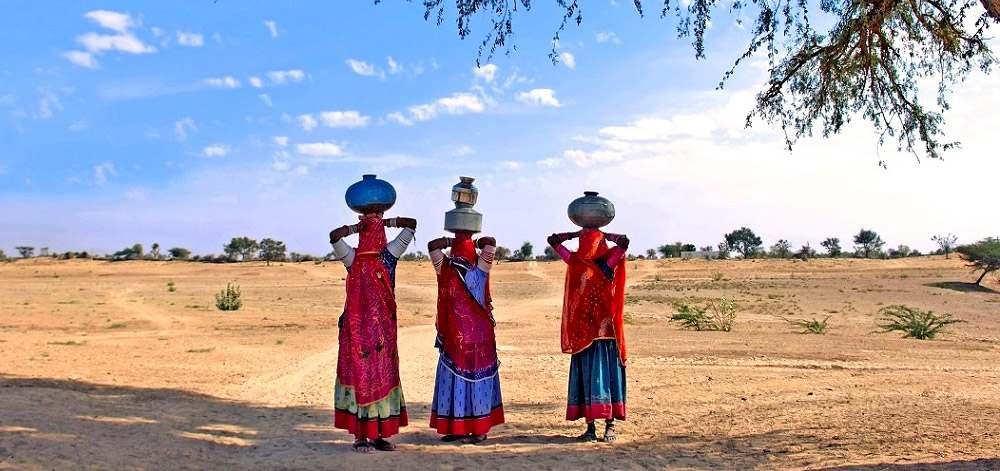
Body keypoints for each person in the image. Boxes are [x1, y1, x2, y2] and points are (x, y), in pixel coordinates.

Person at [329, 214, 417, 452]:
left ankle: (377, 435)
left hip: (380, 333)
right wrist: (363, 225)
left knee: (380, 377)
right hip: (359, 332)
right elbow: (334, 236)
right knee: (363, 377)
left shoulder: (383, 255)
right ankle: (360, 436)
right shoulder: (362, 256)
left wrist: (370, 223)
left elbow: (412, 224)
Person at [547, 229, 629, 442]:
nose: (587, 245)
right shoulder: (576, 261)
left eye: (590, 241)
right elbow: (553, 241)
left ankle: (609, 425)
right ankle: (591, 428)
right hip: (583, 334)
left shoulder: (607, 263)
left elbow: (624, 242)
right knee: (586, 379)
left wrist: (599, 233)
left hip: (604, 334)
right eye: (585, 241)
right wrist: (579, 232)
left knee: (604, 378)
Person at [426, 232, 505, 444]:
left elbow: (433, 245)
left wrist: (457, 240)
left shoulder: (448, 268)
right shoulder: (479, 269)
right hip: (468, 339)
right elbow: (490, 243)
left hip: (464, 339)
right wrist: (466, 238)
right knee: (470, 381)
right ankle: (466, 429)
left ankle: (474, 429)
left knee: (461, 382)